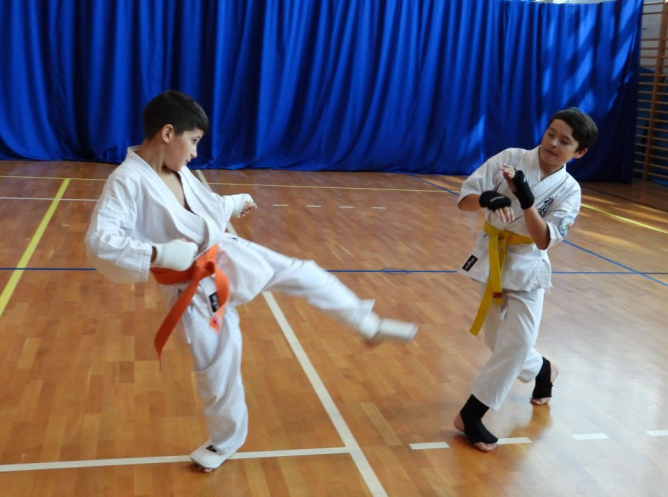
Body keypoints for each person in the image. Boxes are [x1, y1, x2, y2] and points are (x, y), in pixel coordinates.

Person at [84, 90, 418, 472]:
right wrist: (158, 254)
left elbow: (204, 210)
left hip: (225, 254)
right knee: (219, 363)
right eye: (193, 141)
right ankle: (225, 440)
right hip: (190, 288)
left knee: (304, 271)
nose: (195, 152)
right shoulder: (127, 181)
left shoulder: (176, 169)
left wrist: (234, 202)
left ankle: (367, 323)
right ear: (168, 133)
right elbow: (100, 242)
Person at [453, 107, 598, 452]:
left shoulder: (570, 190)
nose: (553, 143)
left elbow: (545, 239)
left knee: (517, 342)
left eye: (564, 141)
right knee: (497, 341)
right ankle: (543, 369)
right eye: (551, 134)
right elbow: (464, 201)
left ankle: (472, 414)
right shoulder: (511, 158)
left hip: (529, 267)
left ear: (579, 152)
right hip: (492, 258)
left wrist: (526, 201)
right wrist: (486, 197)